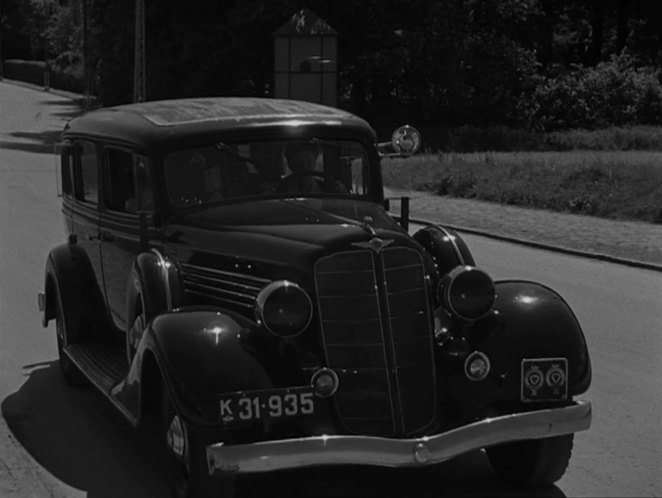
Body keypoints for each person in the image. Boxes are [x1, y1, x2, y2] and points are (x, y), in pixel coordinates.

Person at [281, 142, 346, 194]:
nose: (305, 168)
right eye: (299, 164)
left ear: (315, 161)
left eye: (309, 162)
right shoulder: (281, 191)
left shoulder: (328, 189)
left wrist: (342, 193)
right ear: (290, 165)